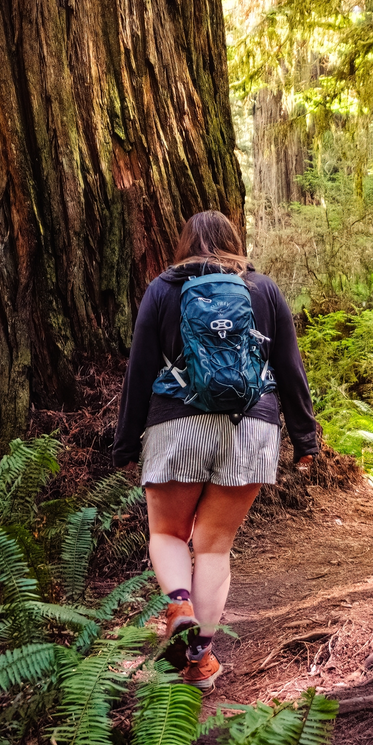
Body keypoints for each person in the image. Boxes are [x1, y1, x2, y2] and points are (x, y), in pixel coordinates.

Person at [112, 210, 319, 689]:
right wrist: (305, 440)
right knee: (214, 545)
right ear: (234, 240)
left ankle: (178, 602)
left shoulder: (163, 289)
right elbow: (289, 367)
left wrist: (125, 444)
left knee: (167, 533)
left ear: (184, 244)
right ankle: (200, 660)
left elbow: (139, 371)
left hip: (177, 423)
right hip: (253, 428)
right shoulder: (262, 289)